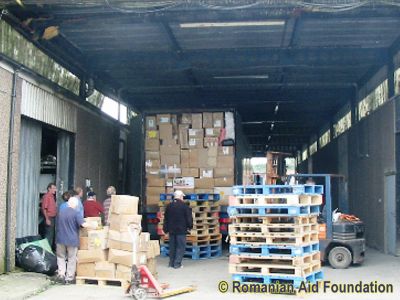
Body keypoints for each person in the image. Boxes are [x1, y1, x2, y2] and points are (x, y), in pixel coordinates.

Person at [54, 196, 94, 284]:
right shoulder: (76, 213)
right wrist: (93, 225)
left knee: (61, 257)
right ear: (75, 205)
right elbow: (83, 224)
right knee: (71, 258)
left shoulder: (61, 212)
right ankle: (69, 277)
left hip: (60, 238)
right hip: (72, 240)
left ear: (68, 203)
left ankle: (61, 274)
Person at [163, 190, 193, 269]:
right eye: (182, 196)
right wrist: (190, 227)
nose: (183, 198)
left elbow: (166, 218)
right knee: (180, 247)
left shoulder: (169, 206)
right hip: (181, 230)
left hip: (171, 230)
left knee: (172, 246)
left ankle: (171, 263)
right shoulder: (185, 206)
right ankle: (177, 264)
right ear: (180, 197)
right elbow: (189, 218)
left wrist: (165, 229)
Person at [41, 183, 57, 248]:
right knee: (48, 235)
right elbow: (44, 208)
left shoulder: (52, 196)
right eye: (53, 188)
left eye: (55, 188)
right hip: (49, 217)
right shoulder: (47, 196)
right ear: (49, 189)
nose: (55, 190)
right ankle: (46, 250)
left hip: (53, 217)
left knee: (51, 234)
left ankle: (49, 249)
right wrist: (47, 219)